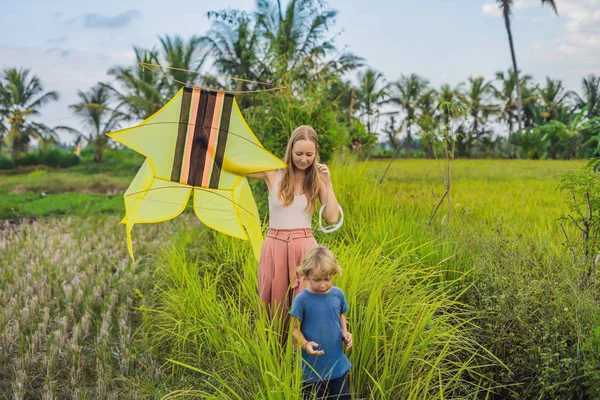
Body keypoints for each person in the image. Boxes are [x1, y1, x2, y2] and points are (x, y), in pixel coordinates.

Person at [248, 125, 340, 318]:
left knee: (306, 303)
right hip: (274, 246)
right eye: (299, 153)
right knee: (274, 303)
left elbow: (332, 217)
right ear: (290, 150)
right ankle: (274, 347)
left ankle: (303, 346)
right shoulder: (273, 173)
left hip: (305, 248)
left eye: (309, 154)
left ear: (316, 154)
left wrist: (328, 183)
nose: (304, 159)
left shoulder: (317, 181)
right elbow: (235, 168)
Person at [290, 245, 352, 400]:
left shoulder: (338, 294)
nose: (323, 285)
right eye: (317, 280)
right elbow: (294, 329)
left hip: (337, 365)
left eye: (327, 279)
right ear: (306, 276)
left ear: (334, 274)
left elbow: (341, 315)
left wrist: (345, 332)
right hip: (312, 369)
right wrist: (305, 344)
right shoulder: (301, 299)